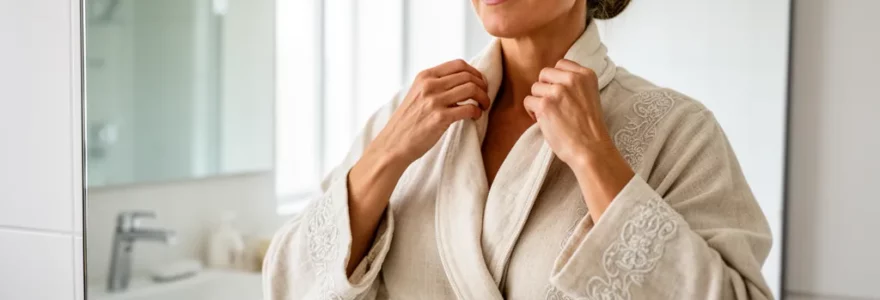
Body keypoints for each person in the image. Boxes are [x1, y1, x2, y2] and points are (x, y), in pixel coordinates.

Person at [263, 0, 773, 299]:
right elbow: (287, 283)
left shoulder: (676, 130)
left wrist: (596, 159)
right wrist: (386, 155)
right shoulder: (408, 115)